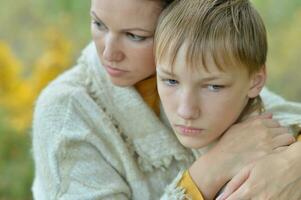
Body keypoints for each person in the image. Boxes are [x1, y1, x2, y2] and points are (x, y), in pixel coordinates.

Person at [31, 0, 301, 199]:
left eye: (136, 36)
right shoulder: (66, 110)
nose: (108, 54)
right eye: (98, 23)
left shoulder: (199, 69)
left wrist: (290, 164)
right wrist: (211, 170)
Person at [154, 0, 301, 199]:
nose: (186, 111)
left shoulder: (272, 174)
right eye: (170, 81)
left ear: (255, 82)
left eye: (214, 86)